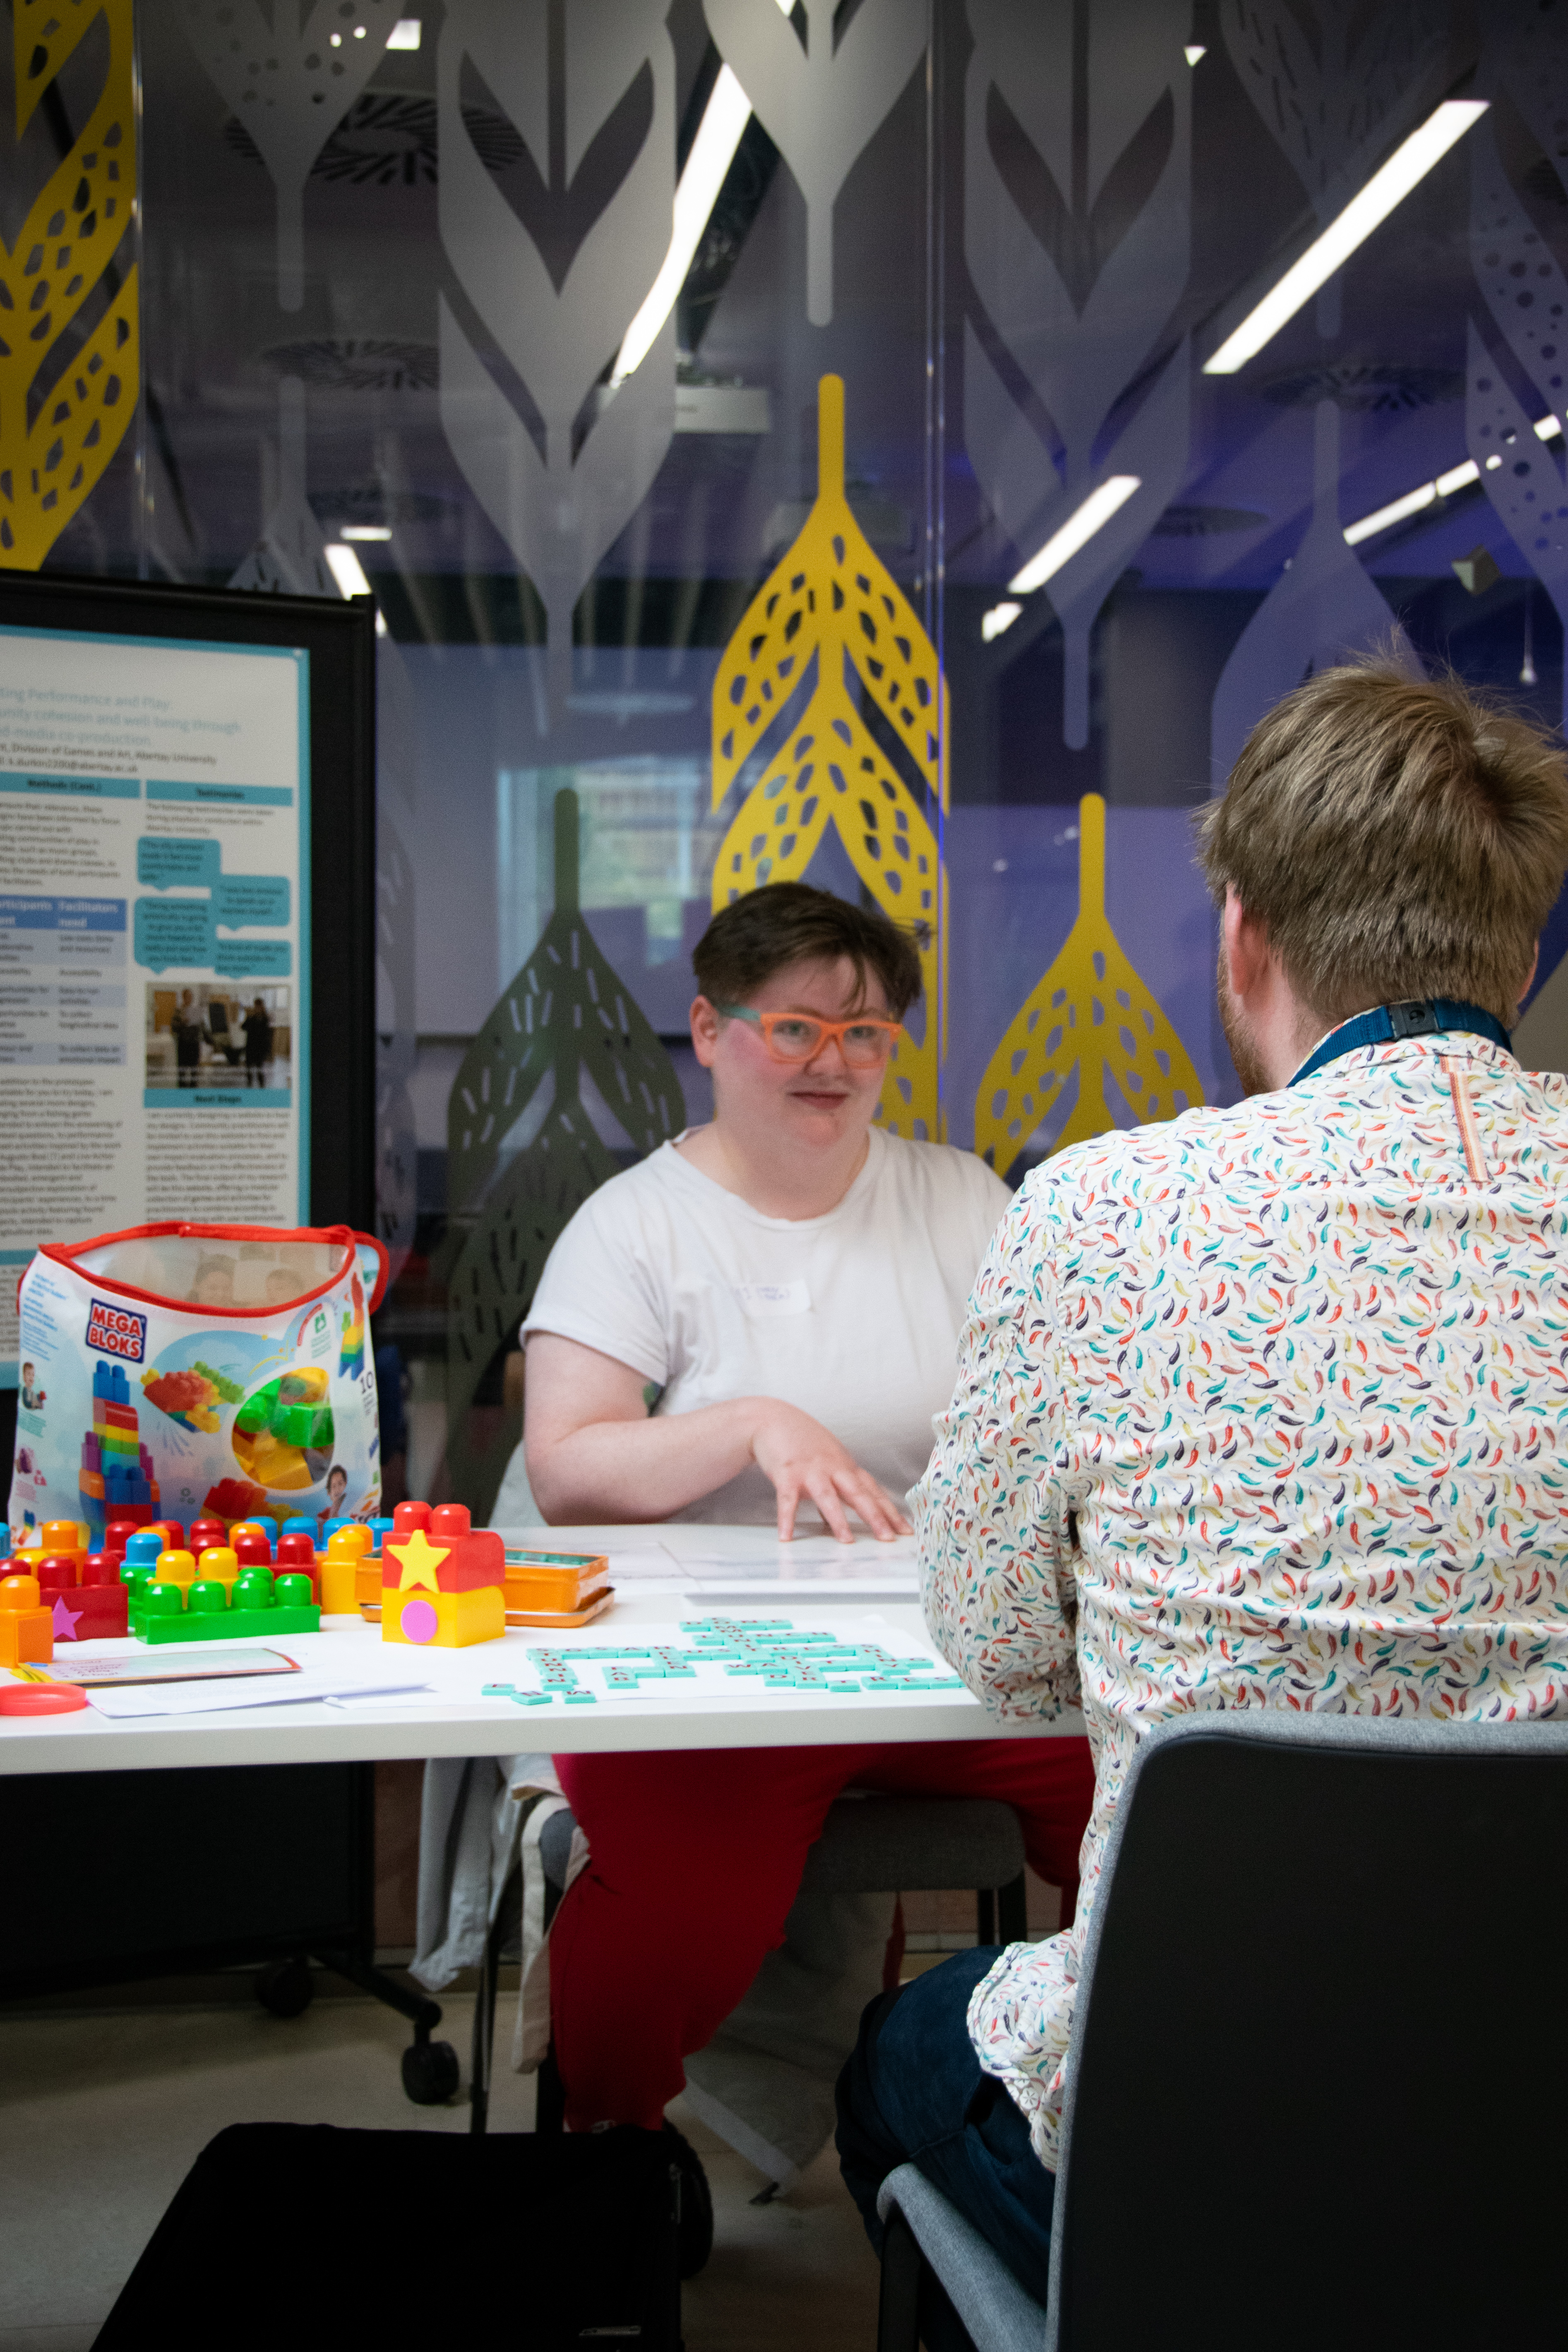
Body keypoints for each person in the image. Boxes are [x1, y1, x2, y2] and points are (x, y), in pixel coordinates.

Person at [836, 658, 1568, 2307]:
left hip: (1198, 2121)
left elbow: (998, 1648)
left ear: (1240, 940)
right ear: (1518, 954)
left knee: (894, 2056)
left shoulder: (1101, 1214)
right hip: (1540, 2137)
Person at [522, 883, 1096, 2262]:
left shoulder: (958, 1199)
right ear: (708, 1029)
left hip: (947, 1652)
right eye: (793, 1026)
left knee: (1149, 1786)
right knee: (673, 1907)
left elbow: (1059, 1411)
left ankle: (1138, 2100)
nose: (830, 1060)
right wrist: (749, 1424)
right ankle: (610, 2151)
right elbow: (565, 1468)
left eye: (864, 1032)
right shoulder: (635, 1225)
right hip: (717, 1676)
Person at [170, 989, 202, 1087]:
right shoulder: (178, 1010)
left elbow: (201, 1026)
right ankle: (182, 1088)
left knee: (194, 1067)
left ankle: (193, 1087)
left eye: (191, 997)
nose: (190, 999)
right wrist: (182, 1023)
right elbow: (174, 1027)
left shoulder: (196, 1010)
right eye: (188, 997)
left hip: (194, 1042)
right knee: (182, 1068)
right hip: (183, 1043)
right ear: (183, 998)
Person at [242, 996, 273, 1087]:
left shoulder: (265, 1019)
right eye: (256, 1006)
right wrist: (250, 1018)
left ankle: (262, 1086)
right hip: (251, 1046)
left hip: (260, 1047)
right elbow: (243, 1027)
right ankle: (249, 1085)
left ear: (262, 1007)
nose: (258, 1008)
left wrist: (267, 1049)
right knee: (249, 1067)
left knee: (260, 1067)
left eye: (259, 1006)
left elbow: (267, 1034)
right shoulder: (251, 1018)